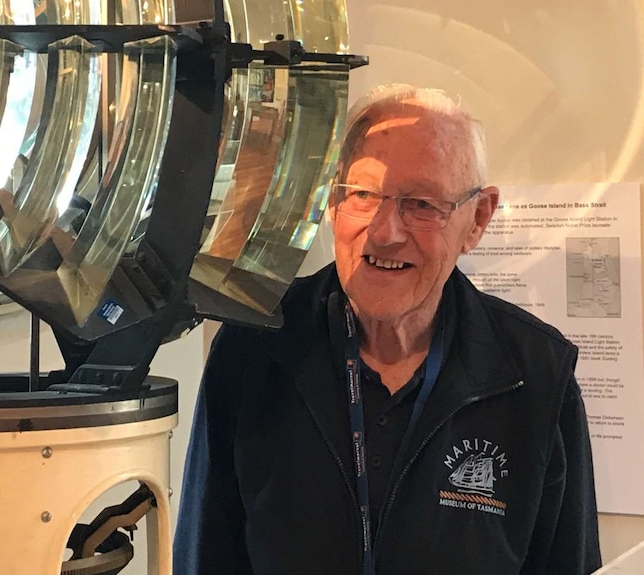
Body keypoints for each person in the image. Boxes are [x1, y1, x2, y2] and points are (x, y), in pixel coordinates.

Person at [173, 84, 601, 575]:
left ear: (477, 219)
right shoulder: (254, 347)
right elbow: (204, 556)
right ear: (331, 204)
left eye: (421, 204)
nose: (384, 232)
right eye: (362, 194)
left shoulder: (536, 374)